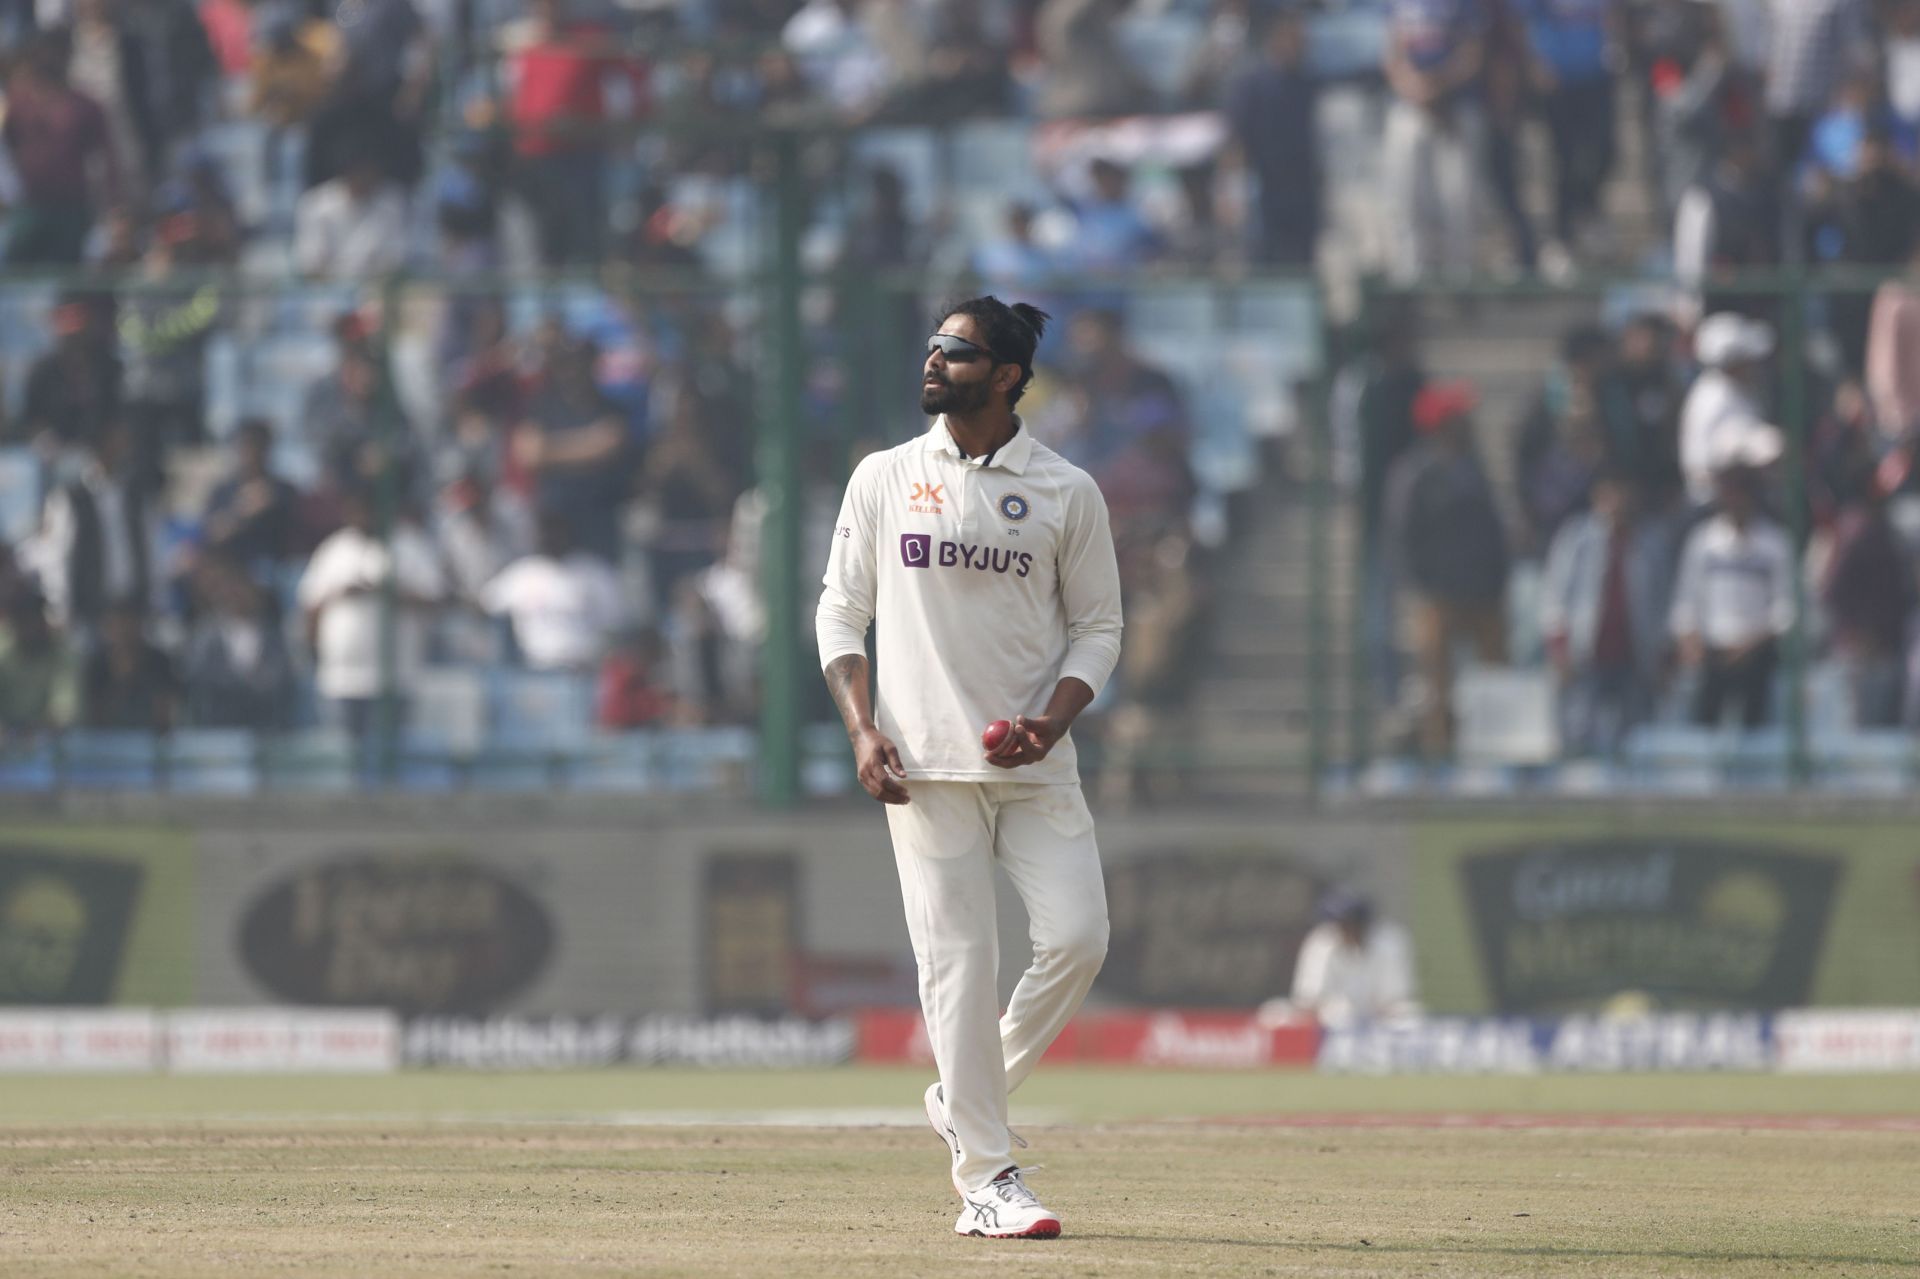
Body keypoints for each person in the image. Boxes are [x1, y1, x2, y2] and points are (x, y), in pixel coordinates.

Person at [815, 296, 1122, 1240]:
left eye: (958, 351)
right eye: (934, 347)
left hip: (1034, 762)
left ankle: (963, 1090)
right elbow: (840, 612)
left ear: (1008, 376)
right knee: (961, 963)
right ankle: (987, 1176)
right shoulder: (885, 474)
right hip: (926, 766)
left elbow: (1100, 627)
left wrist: (1052, 720)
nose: (935, 361)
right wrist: (864, 729)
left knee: (1078, 938)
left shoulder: (1066, 490)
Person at [1383, 381, 1511, 757]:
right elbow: (1403, 535)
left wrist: (1497, 576)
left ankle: (1493, 746)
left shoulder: (1473, 467)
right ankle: (1438, 751)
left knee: (1495, 671)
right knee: (1437, 680)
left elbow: (1491, 529)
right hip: (1438, 592)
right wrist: (1423, 584)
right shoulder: (1415, 472)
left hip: (1482, 590)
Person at [1539, 470, 1676, 756]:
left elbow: (1663, 603)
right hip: (1586, 654)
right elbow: (1555, 598)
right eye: (1611, 494)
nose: (1618, 503)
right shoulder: (1577, 538)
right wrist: (1560, 649)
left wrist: (1664, 655)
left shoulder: (1651, 542)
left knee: (1636, 739)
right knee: (1579, 734)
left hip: (1635, 655)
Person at [295, 488, 446, 738]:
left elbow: (435, 598)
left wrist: (387, 592)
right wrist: (342, 592)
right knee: (346, 761)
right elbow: (310, 604)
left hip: (395, 677)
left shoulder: (407, 544)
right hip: (341, 678)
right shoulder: (335, 548)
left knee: (390, 758)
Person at [1670, 460, 1795, 728]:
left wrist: (1752, 643)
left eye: (1741, 493)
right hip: (1711, 654)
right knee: (1703, 730)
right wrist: (1690, 639)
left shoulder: (1774, 544)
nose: (1735, 501)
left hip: (1758, 655)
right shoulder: (1703, 542)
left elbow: (1786, 609)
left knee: (1757, 733)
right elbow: (1686, 600)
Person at [1381, 0, 1489, 281]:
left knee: (1458, 197)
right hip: (1409, 102)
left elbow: (1473, 51)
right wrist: (1413, 86)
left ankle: (1459, 277)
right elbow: (1391, 50)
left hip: (1456, 104)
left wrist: (1439, 85)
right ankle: (1410, 274)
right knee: (1406, 194)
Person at [1223, 7, 1321, 268]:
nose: (1300, 46)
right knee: (1263, 261)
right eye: (1294, 38)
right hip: (1263, 186)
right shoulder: (1250, 85)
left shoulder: (1308, 83)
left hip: (1302, 189)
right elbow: (1234, 141)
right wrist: (1233, 191)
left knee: (1302, 262)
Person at [482, 513, 626, 672]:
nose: (548, 538)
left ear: (567, 533)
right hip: (534, 669)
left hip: (584, 669)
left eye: (554, 532)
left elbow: (615, 624)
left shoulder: (593, 570)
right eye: (543, 532)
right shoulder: (523, 572)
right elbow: (485, 604)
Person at [1270, 890, 1421, 1029]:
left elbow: (1394, 1000)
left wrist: (1367, 1018)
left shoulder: (1390, 941)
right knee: (1273, 1014)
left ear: (1362, 924)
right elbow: (1309, 999)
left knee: (1412, 1019)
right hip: (1330, 1021)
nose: (1341, 929)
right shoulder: (1321, 941)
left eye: (1347, 923)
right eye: (1338, 924)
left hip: (1381, 1022)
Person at [1677, 312, 1774, 505]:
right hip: (1712, 504)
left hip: (1742, 497)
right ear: (1731, 361)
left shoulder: (1737, 389)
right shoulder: (1712, 397)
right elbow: (1700, 467)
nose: (1753, 365)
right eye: (1746, 359)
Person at [200, 419, 299, 575]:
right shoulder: (223, 491)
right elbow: (213, 533)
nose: (250, 452)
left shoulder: (283, 489)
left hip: (273, 568)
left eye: (256, 445)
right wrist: (242, 511)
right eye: (245, 445)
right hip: (231, 566)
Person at [293, 149, 409, 280]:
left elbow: (395, 259)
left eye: (371, 173)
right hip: (327, 290)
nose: (366, 179)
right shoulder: (316, 204)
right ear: (347, 173)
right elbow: (311, 264)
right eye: (361, 173)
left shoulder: (391, 202)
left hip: (375, 287)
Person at [81, 599, 179, 733]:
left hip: (149, 741)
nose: (123, 632)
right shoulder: (96, 664)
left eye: (128, 624)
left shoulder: (160, 661)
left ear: (140, 626)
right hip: (107, 742)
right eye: (116, 626)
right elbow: (93, 717)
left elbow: (165, 715)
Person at [0, 589, 79, 741]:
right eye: (23, 618)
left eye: (35, 616)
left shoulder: (62, 654)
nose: (31, 625)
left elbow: (65, 712)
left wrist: (35, 732)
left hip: (46, 744)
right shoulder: (3, 650)